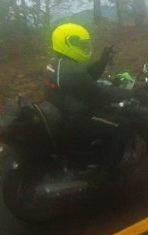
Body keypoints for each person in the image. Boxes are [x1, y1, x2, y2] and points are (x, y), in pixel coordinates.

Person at [43, 23, 132, 173]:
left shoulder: (58, 63)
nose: (85, 48)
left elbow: (86, 78)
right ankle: (107, 173)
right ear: (67, 43)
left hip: (59, 113)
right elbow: (100, 96)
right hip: (75, 119)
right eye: (81, 44)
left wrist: (102, 61)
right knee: (122, 125)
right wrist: (131, 92)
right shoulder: (71, 71)